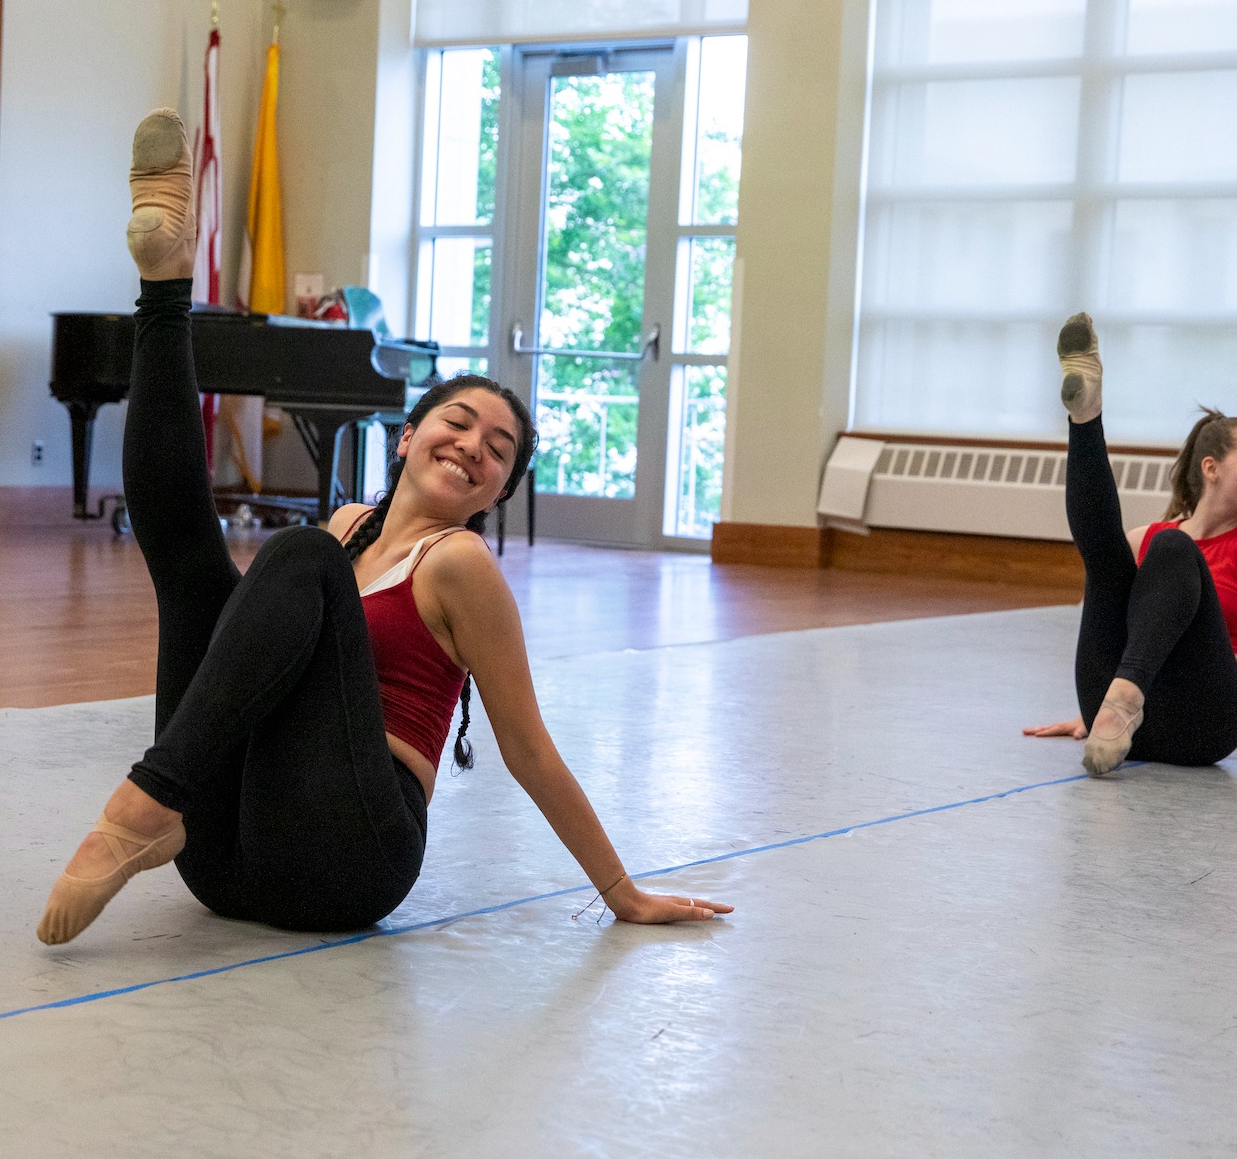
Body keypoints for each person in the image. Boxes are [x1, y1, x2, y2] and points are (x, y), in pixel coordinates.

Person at [36, 109, 732, 944]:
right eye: (459, 422)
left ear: (497, 489)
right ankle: (165, 283)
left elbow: (528, 748)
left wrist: (623, 892)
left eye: (499, 450)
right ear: (407, 437)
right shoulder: (349, 527)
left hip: (351, 857)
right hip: (222, 857)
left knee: (300, 555)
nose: (474, 446)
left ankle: (140, 805)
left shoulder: (460, 561)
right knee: (193, 567)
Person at [1022, 313, 1237, 778]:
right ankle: (1086, 418)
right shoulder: (1146, 539)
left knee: (1172, 548)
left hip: (1204, 726)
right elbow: (1103, 624)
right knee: (1121, 556)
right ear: (1211, 468)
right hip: (1120, 723)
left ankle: (1124, 696)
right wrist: (1090, 711)